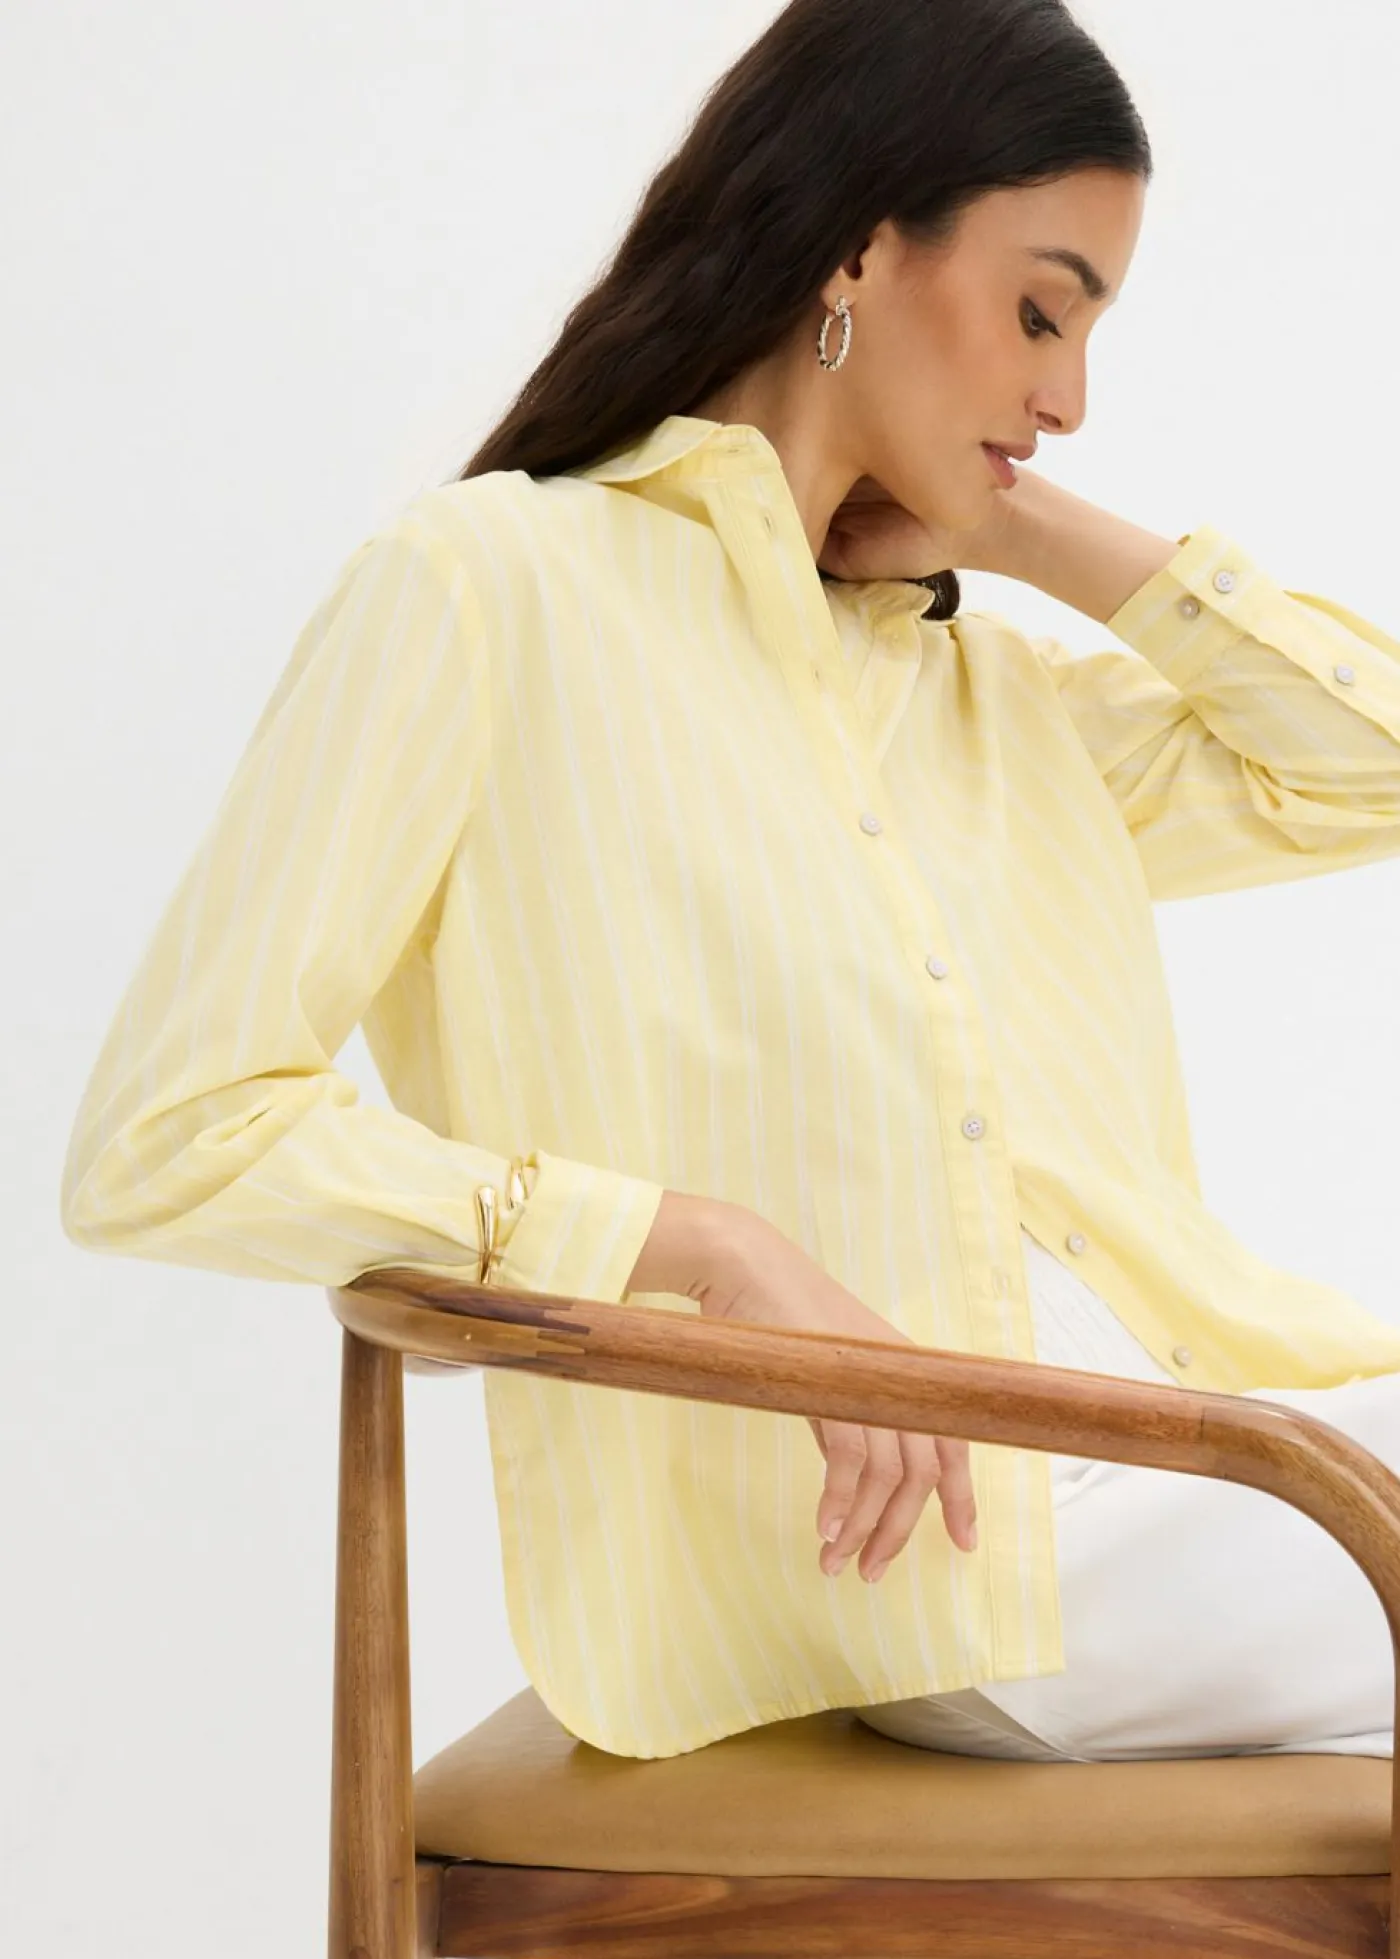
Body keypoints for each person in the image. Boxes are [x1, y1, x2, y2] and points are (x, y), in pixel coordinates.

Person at [59, 0, 1400, 1764]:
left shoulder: (981, 694)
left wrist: (1013, 522)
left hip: (1225, 1467)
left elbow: (1366, 766)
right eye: (1039, 312)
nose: (1070, 399)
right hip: (949, 1573)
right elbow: (173, 1135)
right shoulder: (487, 590)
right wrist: (702, 1245)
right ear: (858, 246)